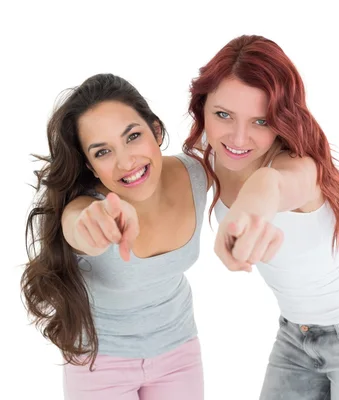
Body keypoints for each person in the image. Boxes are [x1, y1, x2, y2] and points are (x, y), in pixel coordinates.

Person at [183, 34, 339, 400]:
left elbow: (271, 185)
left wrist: (248, 209)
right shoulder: (208, 160)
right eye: (223, 115)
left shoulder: (298, 167)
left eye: (260, 121)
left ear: (281, 120)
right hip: (296, 333)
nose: (238, 137)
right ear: (202, 106)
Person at [22, 73, 208, 400]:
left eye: (133, 136)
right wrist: (90, 225)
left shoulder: (195, 174)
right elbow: (77, 221)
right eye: (102, 152)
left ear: (156, 130)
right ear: (91, 167)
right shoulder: (88, 207)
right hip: (99, 364)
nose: (126, 162)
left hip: (178, 351)